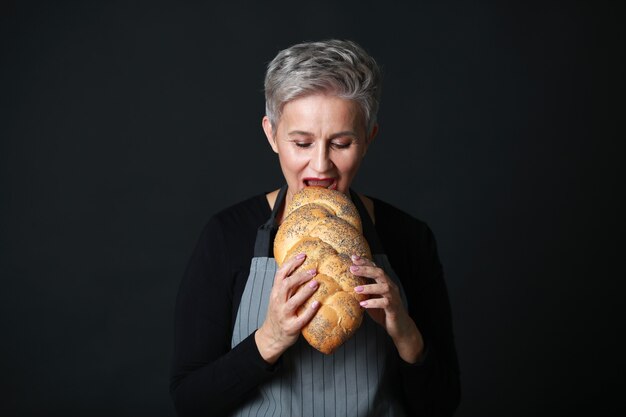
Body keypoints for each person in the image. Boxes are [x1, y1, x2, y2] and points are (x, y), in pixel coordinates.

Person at [170, 39, 460, 417]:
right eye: (302, 143)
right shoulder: (227, 236)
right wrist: (270, 339)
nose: (320, 166)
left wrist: (405, 332)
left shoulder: (409, 238)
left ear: (368, 139)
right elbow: (190, 402)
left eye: (341, 143)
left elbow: (440, 405)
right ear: (272, 134)